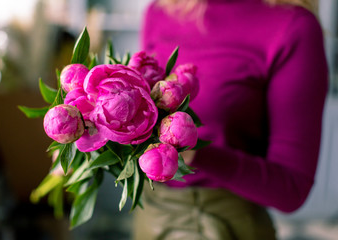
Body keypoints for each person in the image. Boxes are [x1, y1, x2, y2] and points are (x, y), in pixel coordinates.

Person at [133, 0, 328, 239]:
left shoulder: (293, 26)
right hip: (150, 220)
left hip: (229, 226)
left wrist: (195, 153)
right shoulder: (162, 11)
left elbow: (292, 189)